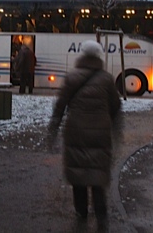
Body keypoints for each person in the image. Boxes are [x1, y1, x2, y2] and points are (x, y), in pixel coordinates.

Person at [48, 40, 122, 229]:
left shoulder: (72, 77)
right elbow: (116, 107)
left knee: (78, 173)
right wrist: (116, 131)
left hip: (76, 131)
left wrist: (53, 130)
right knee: (97, 175)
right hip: (100, 132)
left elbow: (60, 106)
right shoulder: (106, 79)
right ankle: (101, 215)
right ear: (98, 56)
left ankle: (81, 213)